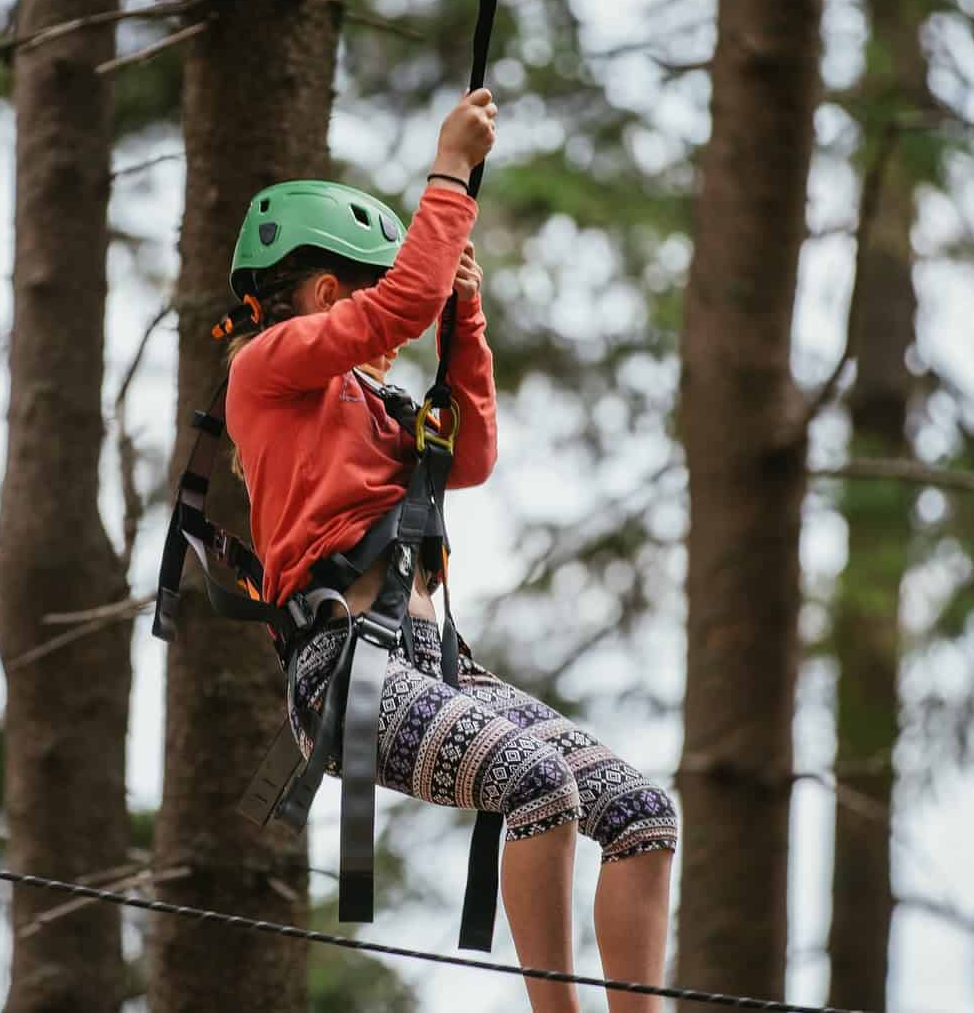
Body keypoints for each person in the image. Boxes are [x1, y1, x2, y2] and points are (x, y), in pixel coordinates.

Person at [222, 89, 677, 1013]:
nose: (393, 343)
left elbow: (468, 455)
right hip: (345, 672)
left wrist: (464, 316)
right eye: (370, 295)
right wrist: (448, 168)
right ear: (322, 296)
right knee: (539, 785)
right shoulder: (265, 370)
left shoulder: (381, 410)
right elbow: (398, 307)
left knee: (641, 813)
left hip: (439, 668)